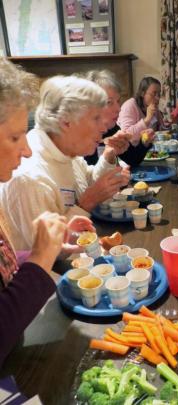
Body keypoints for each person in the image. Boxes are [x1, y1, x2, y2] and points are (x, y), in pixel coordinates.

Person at [0, 58, 90, 366]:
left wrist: (47, 249)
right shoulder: (30, 178)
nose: (26, 151)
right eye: (14, 137)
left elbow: (5, 271)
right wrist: (39, 260)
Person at [0, 75, 130, 251]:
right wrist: (85, 204)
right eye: (96, 118)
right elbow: (45, 256)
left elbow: (88, 182)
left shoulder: (65, 148)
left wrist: (108, 155)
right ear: (66, 122)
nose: (104, 128)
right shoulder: (30, 179)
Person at [83, 70, 155, 167]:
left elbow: (133, 159)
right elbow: (89, 179)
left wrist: (144, 143)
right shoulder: (80, 139)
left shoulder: (112, 129)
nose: (119, 109)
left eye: (117, 101)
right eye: (109, 102)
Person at [117, 76, 165, 142]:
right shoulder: (129, 106)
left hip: (148, 148)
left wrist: (164, 124)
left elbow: (158, 131)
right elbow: (126, 135)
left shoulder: (153, 107)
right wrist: (147, 120)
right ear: (142, 93)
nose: (157, 98)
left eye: (159, 94)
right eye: (154, 94)